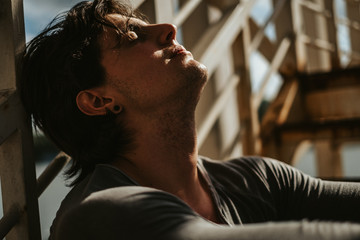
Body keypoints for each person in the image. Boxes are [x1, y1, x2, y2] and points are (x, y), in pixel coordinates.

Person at [21, 0, 360, 239]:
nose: (169, 28)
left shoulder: (258, 180)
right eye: (132, 38)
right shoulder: (100, 215)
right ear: (99, 100)